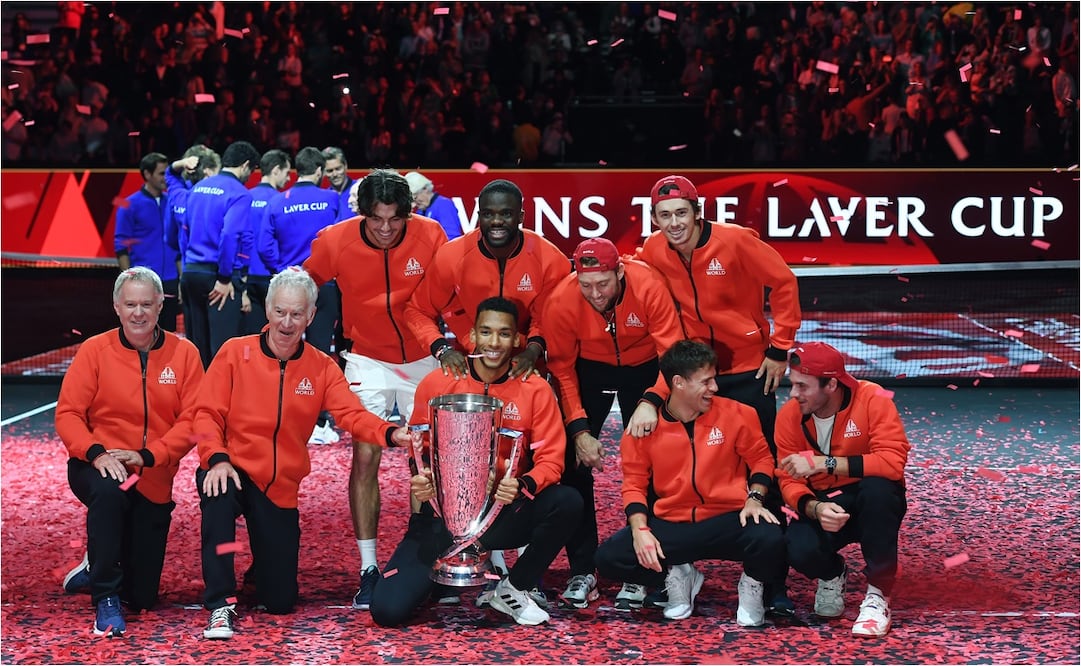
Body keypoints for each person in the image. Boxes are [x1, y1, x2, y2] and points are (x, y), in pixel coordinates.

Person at [193, 268, 412, 640]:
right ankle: (220, 602)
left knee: (279, 600)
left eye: (297, 314)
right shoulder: (234, 353)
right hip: (230, 468)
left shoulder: (321, 367)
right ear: (267, 311)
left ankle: (260, 571)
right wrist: (215, 457)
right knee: (219, 501)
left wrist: (391, 433)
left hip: (279, 485)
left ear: (311, 316)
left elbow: (352, 415)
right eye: (280, 312)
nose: (286, 322)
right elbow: (205, 414)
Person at [627, 173, 801, 613]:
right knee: (677, 463)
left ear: (697, 213)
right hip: (690, 375)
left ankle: (769, 582)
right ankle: (672, 572)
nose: (673, 223)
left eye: (681, 213)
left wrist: (780, 347)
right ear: (655, 219)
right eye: (664, 216)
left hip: (746, 370)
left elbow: (784, 282)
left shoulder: (737, 241)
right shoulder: (652, 250)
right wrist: (656, 391)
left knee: (761, 468)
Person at [369, 297, 581, 627]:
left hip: (500, 516)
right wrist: (421, 476)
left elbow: (552, 461)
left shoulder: (535, 389)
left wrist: (522, 485)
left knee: (567, 501)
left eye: (503, 334)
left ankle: (514, 587)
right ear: (472, 335)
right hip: (439, 519)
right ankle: (438, 577)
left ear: (516, 340)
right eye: (486, 332)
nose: (494, 343)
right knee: (387, 611)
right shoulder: (437, 382)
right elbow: (418, 446)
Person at [303, 168, 448, 611]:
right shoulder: (334, 241)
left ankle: (421, 557)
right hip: (366, 357)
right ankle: (368, 566)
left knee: (426, 456)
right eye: (376, 219)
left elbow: (453, 291)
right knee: (365, 453)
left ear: (410, 212)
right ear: (362, 213)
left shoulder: (432, 234)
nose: (385, 229)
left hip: (423, 356)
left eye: (395, 220)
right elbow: (305, 285)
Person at [56, 267, 204, 637]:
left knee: (142, 597)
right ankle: (105, 596)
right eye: (130, 305)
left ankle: (98, 564)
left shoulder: (185, 354)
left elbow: (194, 420)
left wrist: (149, 455)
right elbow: (69, 413)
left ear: (160, 306)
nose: (138, 313)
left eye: (146, 305)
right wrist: (97, 453)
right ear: (116, 308)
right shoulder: (94, 350)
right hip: (98, 464)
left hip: (151, 471)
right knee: (110, 492)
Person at [594, 340, 785, 626]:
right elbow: (633, 484)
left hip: (728, 519)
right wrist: (640, 530)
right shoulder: (643, 428)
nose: (715, 388)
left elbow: (762, 460)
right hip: (673, 522)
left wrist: (754, 498)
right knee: (610, 558)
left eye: (714, 379)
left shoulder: (738, 414)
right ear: (679, 383)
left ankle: (752, 586)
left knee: (773, 538)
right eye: (706, 381)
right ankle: (676, 575)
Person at [541, 238, 684, 610]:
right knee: (571, 465)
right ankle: (582, 569)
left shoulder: (649, 285)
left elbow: (673, 353)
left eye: (603, 283)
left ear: (620, 271)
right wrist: (579, 430)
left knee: (657, 462)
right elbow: (562, 370)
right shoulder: (561, 300)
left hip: (647, 367)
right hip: (590, 369)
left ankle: (647, 569)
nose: (595, 293)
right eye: (586, 284)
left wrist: (651, 400)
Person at [775, 342, 910, 637]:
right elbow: (787, 478)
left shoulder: (873, 397)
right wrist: (814, 507)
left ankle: (878, 593)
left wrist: (824, 463)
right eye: (792, 384)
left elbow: (892, 464)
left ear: (831, 384)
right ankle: (832, 572)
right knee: (797, 549)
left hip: (870, 498)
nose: (793, 393)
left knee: (879, 489)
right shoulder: (789, 416)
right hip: (826, 501)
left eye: (802, 386)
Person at [404, 178, 570, 383]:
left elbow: (548, 319)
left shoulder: (550, 259)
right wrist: (442, 349)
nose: (496, 221)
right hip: (470, 362)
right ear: (479, 216)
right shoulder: (451, 256)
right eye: (488, 214)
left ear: (521, 216)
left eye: (506, 214)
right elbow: (417, 310)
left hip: (528, 364)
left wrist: (533, 351)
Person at [258, 146, 341, 443]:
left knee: (281, 347)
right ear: (319, 172)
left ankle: (280, 412)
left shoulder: (278, 200)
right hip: (324, 286)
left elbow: (263, 246)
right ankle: (316, 421)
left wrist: (286, 271)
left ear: (297, 170)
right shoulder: (332, 198)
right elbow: (344, 240)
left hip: (290, 287)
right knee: (318, 354)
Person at [180, 140, 261, 368]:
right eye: (252, 170)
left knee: (197, 349)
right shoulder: (240, 194)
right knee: (222, 353)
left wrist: (185, 269)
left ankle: (195, 402)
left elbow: (183, 231)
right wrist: (225, 278)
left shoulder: (197, 188)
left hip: (191, 274)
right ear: (245, 165)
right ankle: (218, 404)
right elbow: (230, 236)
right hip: (216, 277)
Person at [114, 153, 181, 332]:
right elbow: (121, 246)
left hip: (170, 280)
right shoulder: (129, 205)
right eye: (161, 173)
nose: (165, 178)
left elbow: (178, 246)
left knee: (168, 333)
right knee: (143, 332)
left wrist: (181, 279)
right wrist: (126, 282)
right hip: (143, 282)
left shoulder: (172, 202)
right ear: (147, 174)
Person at [243, 149, 292, 335]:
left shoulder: (244, 197)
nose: (288, 179)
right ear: (276, 170)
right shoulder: (280, 201)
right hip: (272, 276)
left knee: (252, 337)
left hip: (247, 277)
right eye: (287, 173)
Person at [404, 171, 462, 240]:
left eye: (416, 197)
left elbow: (452, 237)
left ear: (425, 189)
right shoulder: (421, 211)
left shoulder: (443, 205)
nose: (415, 203)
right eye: (412, 200)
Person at [321, 146, 356, 221]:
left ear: (345, 166)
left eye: (338, 169)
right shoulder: (324, 197)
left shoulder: (359, 190)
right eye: (330, 171)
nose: (335, 174)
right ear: (324, 172)